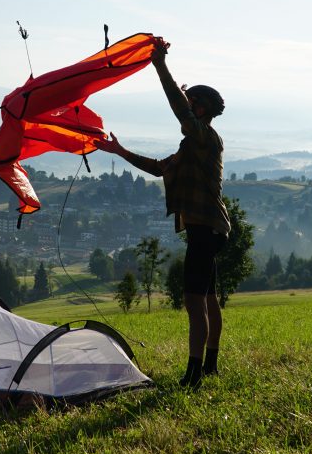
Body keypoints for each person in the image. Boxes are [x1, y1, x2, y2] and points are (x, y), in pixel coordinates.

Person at [95, 39, 230, 387]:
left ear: (200, 110)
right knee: (208, 298)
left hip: (205, 229)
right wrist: (118, 150)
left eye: (192, 103)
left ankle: (194, 373)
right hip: (212, 229)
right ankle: (210, 364)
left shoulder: (204, 137)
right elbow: (159, 169)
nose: (188, 106)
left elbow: (180, 111)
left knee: (193, 299)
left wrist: (160, 65)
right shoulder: (192, 145)